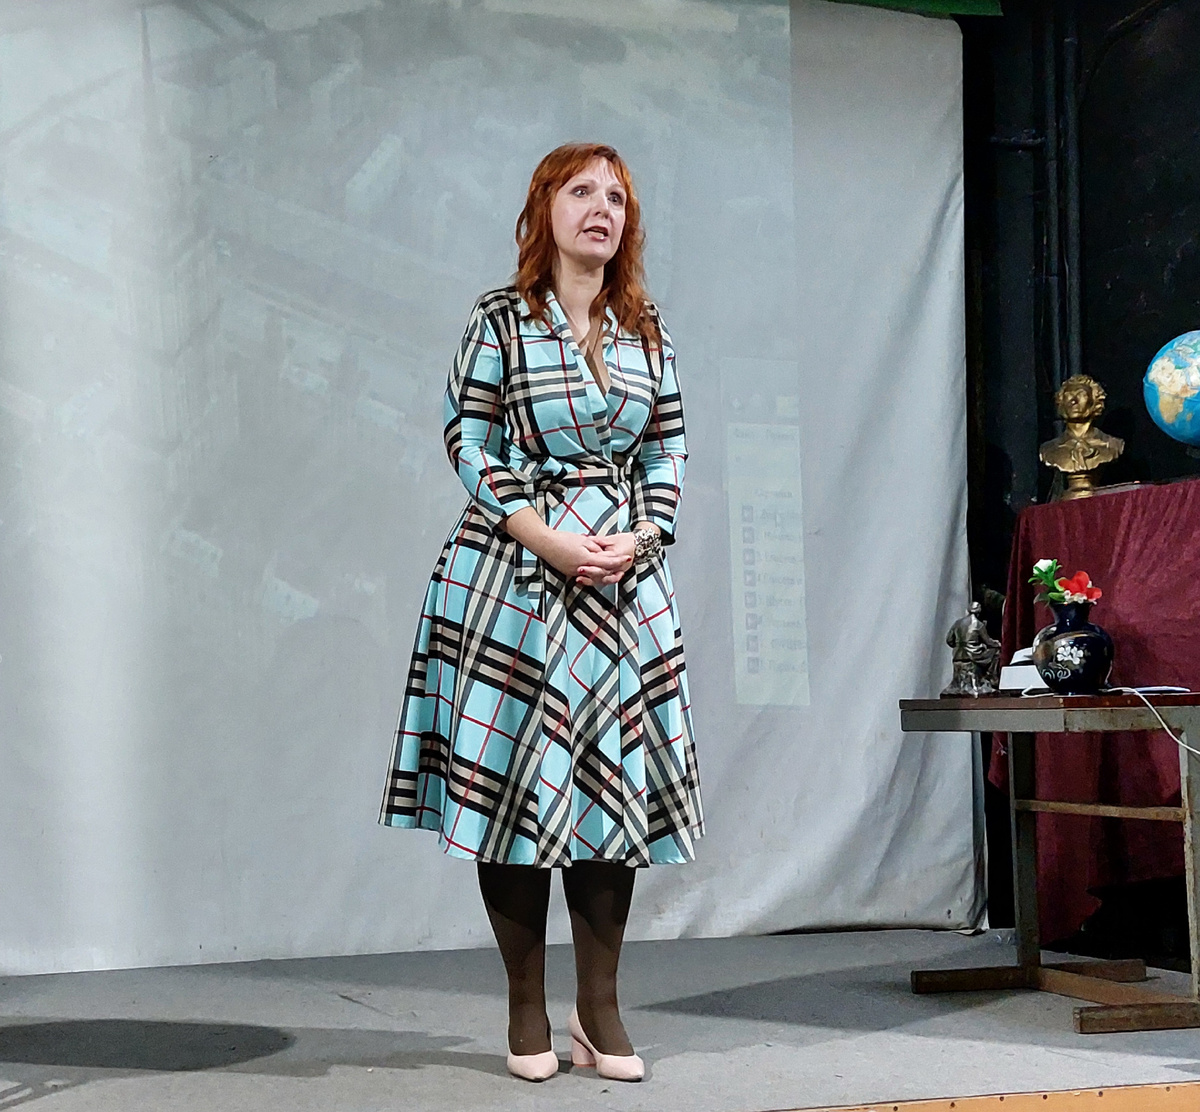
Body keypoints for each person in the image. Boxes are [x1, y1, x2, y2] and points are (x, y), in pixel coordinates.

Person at [380, 143, 703, 1083]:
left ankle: (599, 1009)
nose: (601, 208)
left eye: (616, 197)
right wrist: (546, 537)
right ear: (544, 210)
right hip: (514, 575)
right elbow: (469, 438)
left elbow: (669, 447)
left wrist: (642, 537)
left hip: (622, 585)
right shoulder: (500, 318)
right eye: (581, 191)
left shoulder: (646, 327)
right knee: (515, 791)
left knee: (612, 795)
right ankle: (526, 1004)